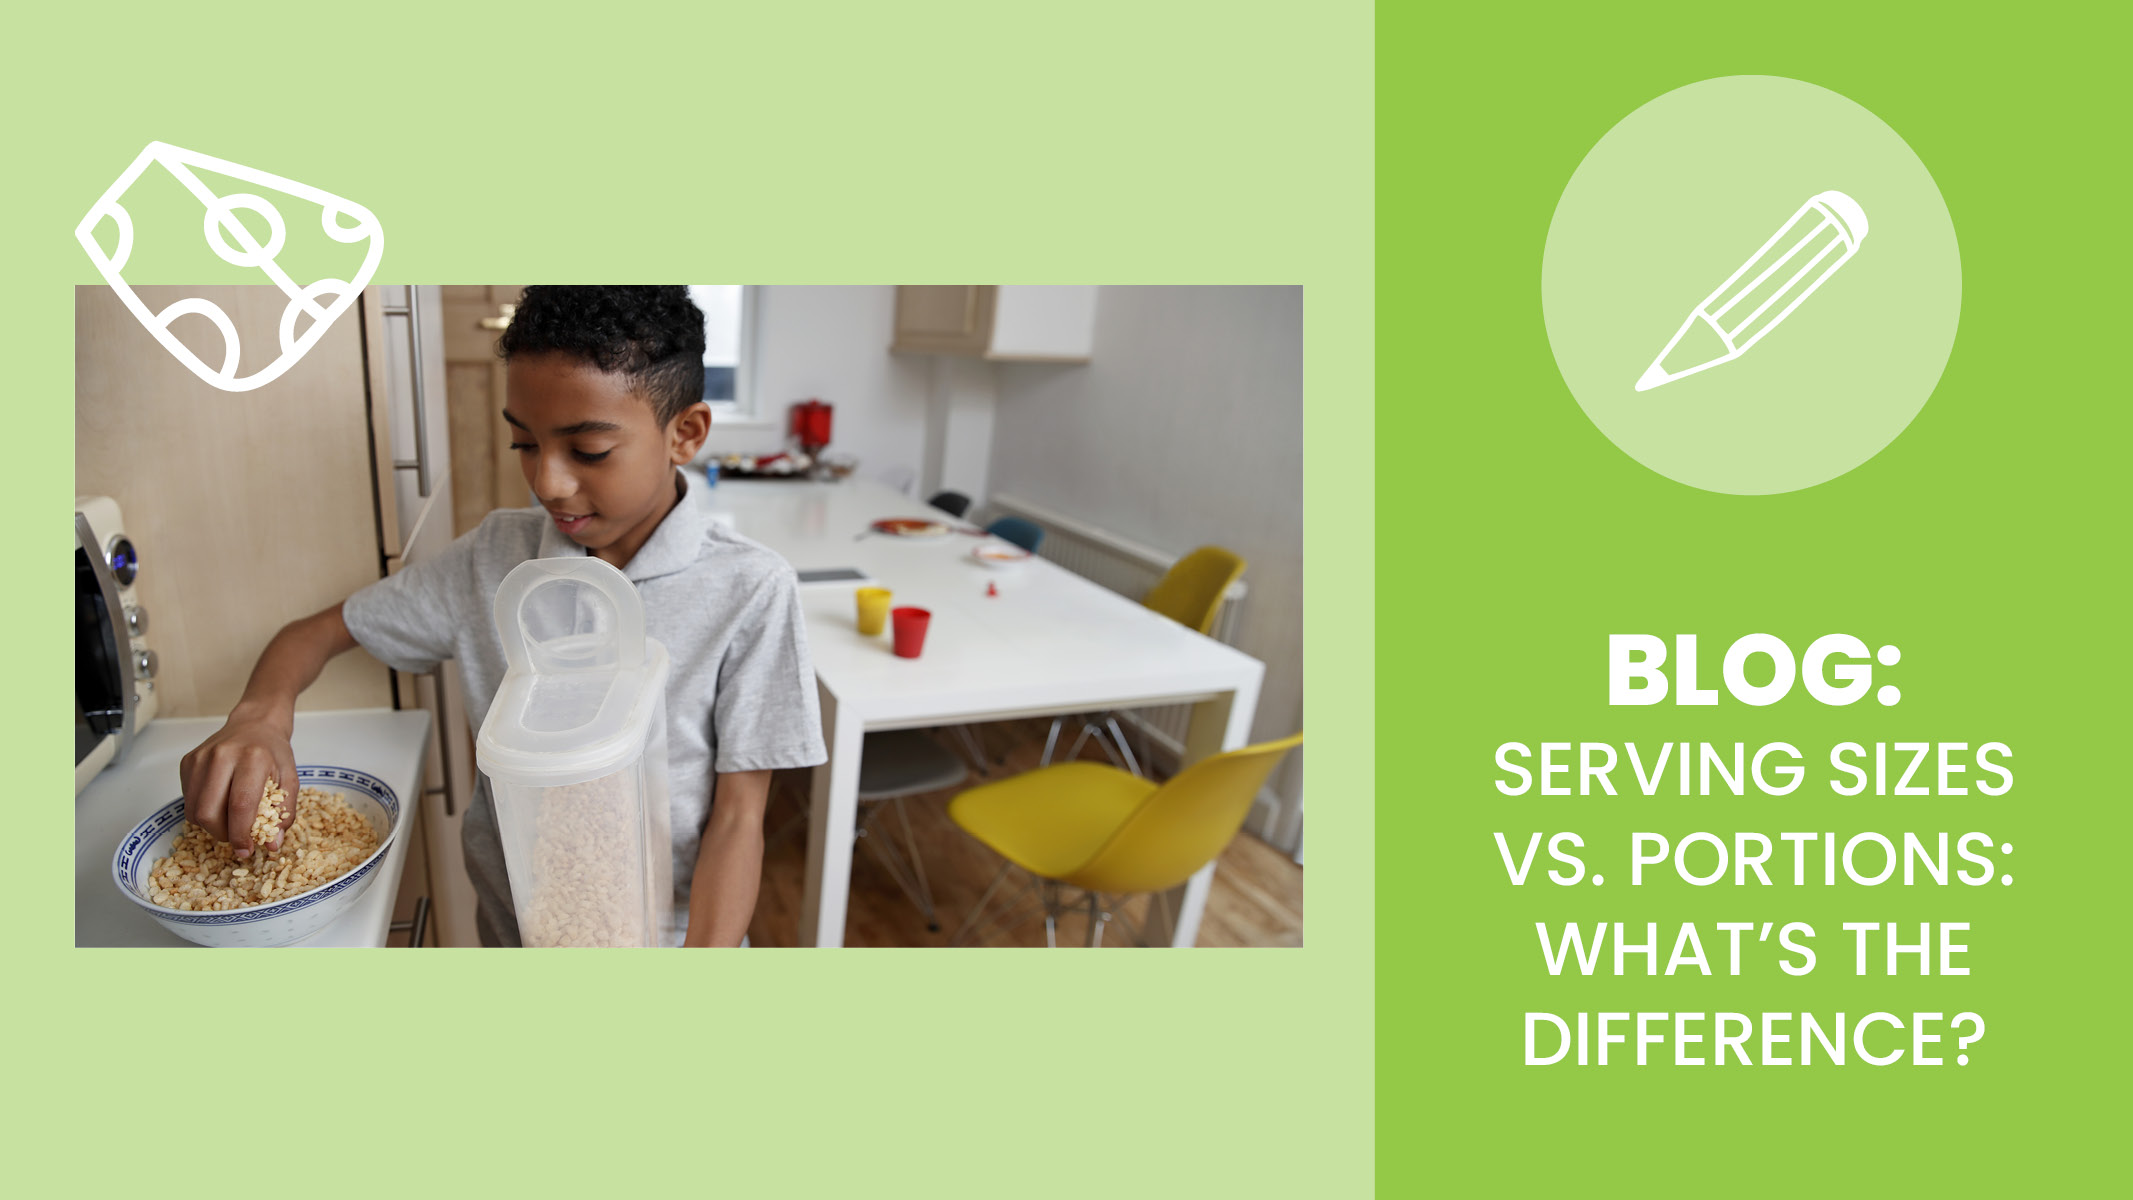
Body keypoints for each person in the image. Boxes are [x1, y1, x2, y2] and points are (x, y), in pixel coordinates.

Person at [177, 286, 826, 946]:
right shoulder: (493, 558)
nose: (547, 482)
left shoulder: (750, 588)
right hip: (520, 930)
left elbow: (741, 816)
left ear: (683, 433)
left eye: (589, 451)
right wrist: (259, 715)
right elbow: (313, 635)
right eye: (523, 443)